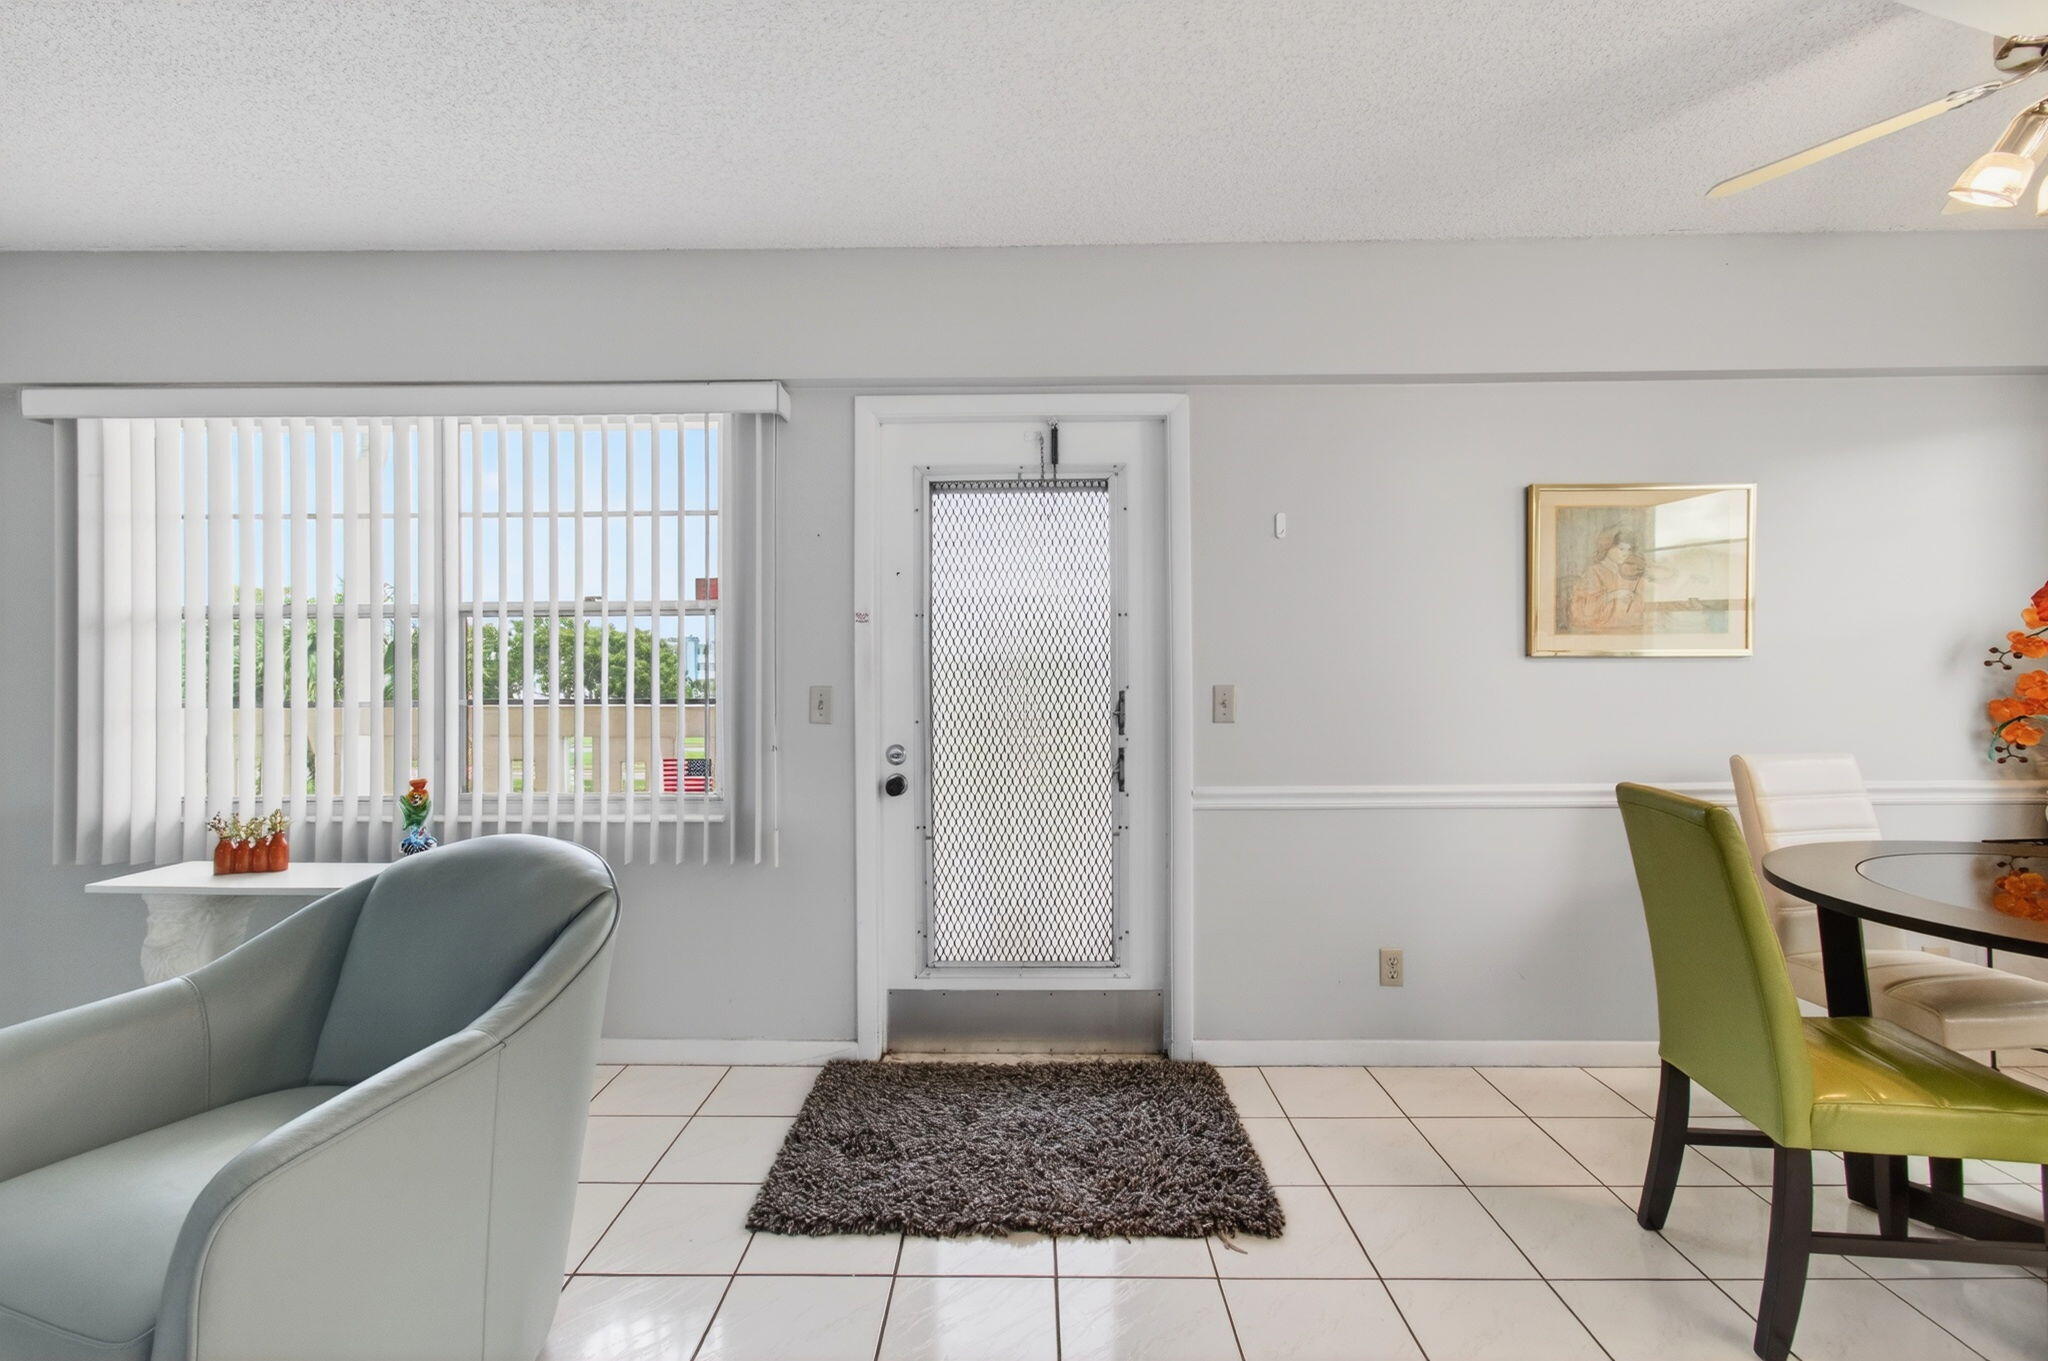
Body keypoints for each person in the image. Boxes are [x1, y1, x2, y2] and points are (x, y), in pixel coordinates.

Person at [1567, 525, 1649, 632]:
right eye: (1621, 549)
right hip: (1599, 630)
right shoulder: (1593, 572)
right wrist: (1614, 595)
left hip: (1624, 628)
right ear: (1607, 547)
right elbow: (1586, 609)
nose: (1626, 554)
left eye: (1629, 550)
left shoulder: (1626, 572)